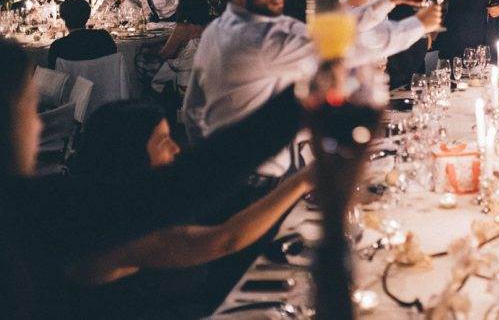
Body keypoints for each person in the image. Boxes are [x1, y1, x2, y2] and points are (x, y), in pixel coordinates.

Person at [0, 38, 319, 317]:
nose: (40, 125)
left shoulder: (32, 204)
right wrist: (301, 105)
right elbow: (201, 199)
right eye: (31, 109)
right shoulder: (45, 210)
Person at [184, 0, 438, 177]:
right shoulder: (258, 39)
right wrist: (419, 25)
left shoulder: (222, 28)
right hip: (254, 183)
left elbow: (192, 111)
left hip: (254, 172)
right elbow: (350, 47)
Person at [64, 100, 316, 316]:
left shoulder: (124, 199)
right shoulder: (115, 224)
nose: (176, 148)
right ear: (130, 154)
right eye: (164, 141)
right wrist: (302, 181)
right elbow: (225, 240)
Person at [47, 0, 117, 69]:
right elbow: (114, 65)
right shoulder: (104, 37)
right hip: (103, 79)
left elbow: (52, 74)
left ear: (62, 17)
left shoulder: (58, 46)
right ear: (88, 16)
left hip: (73, 80)